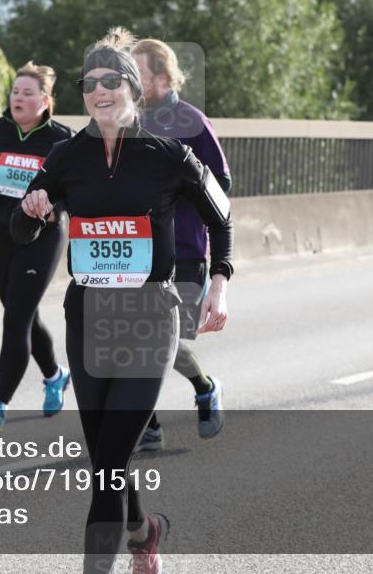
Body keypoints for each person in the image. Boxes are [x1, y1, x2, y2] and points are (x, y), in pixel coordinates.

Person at [11, 28, 234, 574]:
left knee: (106, 465)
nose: (100, 91)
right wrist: (33, 208)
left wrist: (220, 281)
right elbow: (20, 230)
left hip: (150, 318)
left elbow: (221, 215)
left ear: (133, 89)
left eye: (112, 81)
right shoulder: (65, 158)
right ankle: (144, 531)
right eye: (90, 83)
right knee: (109, 461)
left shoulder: (168, 154)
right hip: (87, 319)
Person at [0, 62, 73, 432]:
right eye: (14, 92)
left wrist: (54, 206)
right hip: (1, 232)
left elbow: (75, 184)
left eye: (27, 94)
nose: (18, 99)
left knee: (16, 317)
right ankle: (55, 375)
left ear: (44, 101)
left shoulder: (60, 139)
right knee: (21, 311)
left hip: (42, 237)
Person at [132, 39, 232, 450]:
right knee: (132, 338)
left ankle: (205, 387)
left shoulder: (192, 121)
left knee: (159, 343)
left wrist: (178, 195)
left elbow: (220, 187)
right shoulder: (128, 120)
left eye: (136, 73)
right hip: (137, 249)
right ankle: (148, 425)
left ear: (160, 77)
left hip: (185, 250)